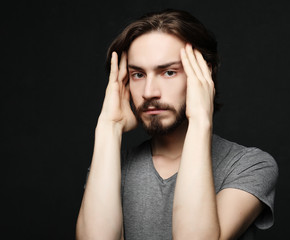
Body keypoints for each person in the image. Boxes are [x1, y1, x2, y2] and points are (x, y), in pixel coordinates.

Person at [76, 9, 278, 240]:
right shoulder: (110, 167)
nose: (149, 93)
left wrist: (201, 120)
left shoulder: (249, 166)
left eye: (169, 72)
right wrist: (109, 127)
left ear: (203, 74)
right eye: (138, 75)